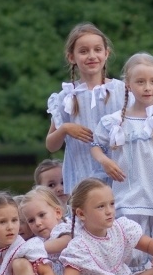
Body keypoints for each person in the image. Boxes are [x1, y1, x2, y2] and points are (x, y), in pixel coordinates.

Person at [91, 52, 153, 273]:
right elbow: (96, 144)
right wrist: (104, 161)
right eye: (140, 82)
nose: (147, 87)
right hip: (129, 196)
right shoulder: (114, 121)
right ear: (128, 84)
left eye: (152, 81)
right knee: (131, 250)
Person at [45, 22, 127, 195]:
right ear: (71, 57)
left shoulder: (122, 92)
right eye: (83, 51)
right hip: (80, 178)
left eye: (97, 50)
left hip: (119, 177)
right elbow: (51, 145)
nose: (92, 56)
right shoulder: (66, 97)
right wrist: (65, 129)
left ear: (106, 53)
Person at [12, 186, 73, 275]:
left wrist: (36, 249)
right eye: (31, 220)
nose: (37, 223)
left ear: (57, 212)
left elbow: (63, 243)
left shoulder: (63, 228)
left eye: (42, 215)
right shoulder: (37, 239)